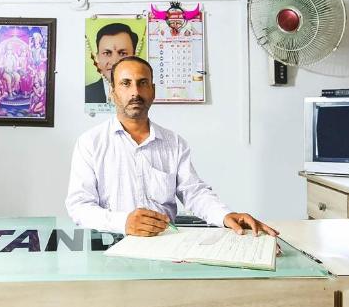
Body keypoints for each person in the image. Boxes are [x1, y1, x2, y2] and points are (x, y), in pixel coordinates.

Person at [67, 55, 278, 237]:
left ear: (153, 91)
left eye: (142, 83)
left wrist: (224, 215)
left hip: (165, 243)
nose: (135, 92)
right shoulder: (90, 143)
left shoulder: (173, 143)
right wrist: (123, 223)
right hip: (111, 242)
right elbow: (79, 206)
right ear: (112, 93)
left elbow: (194, 192)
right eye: (125, 83)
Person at [85, 22, 137, 104]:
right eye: (107, 53)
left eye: (122, 53)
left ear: (134, 57)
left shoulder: (144, 93)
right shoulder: (85, 94)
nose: (114, 62)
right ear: (97, 58)